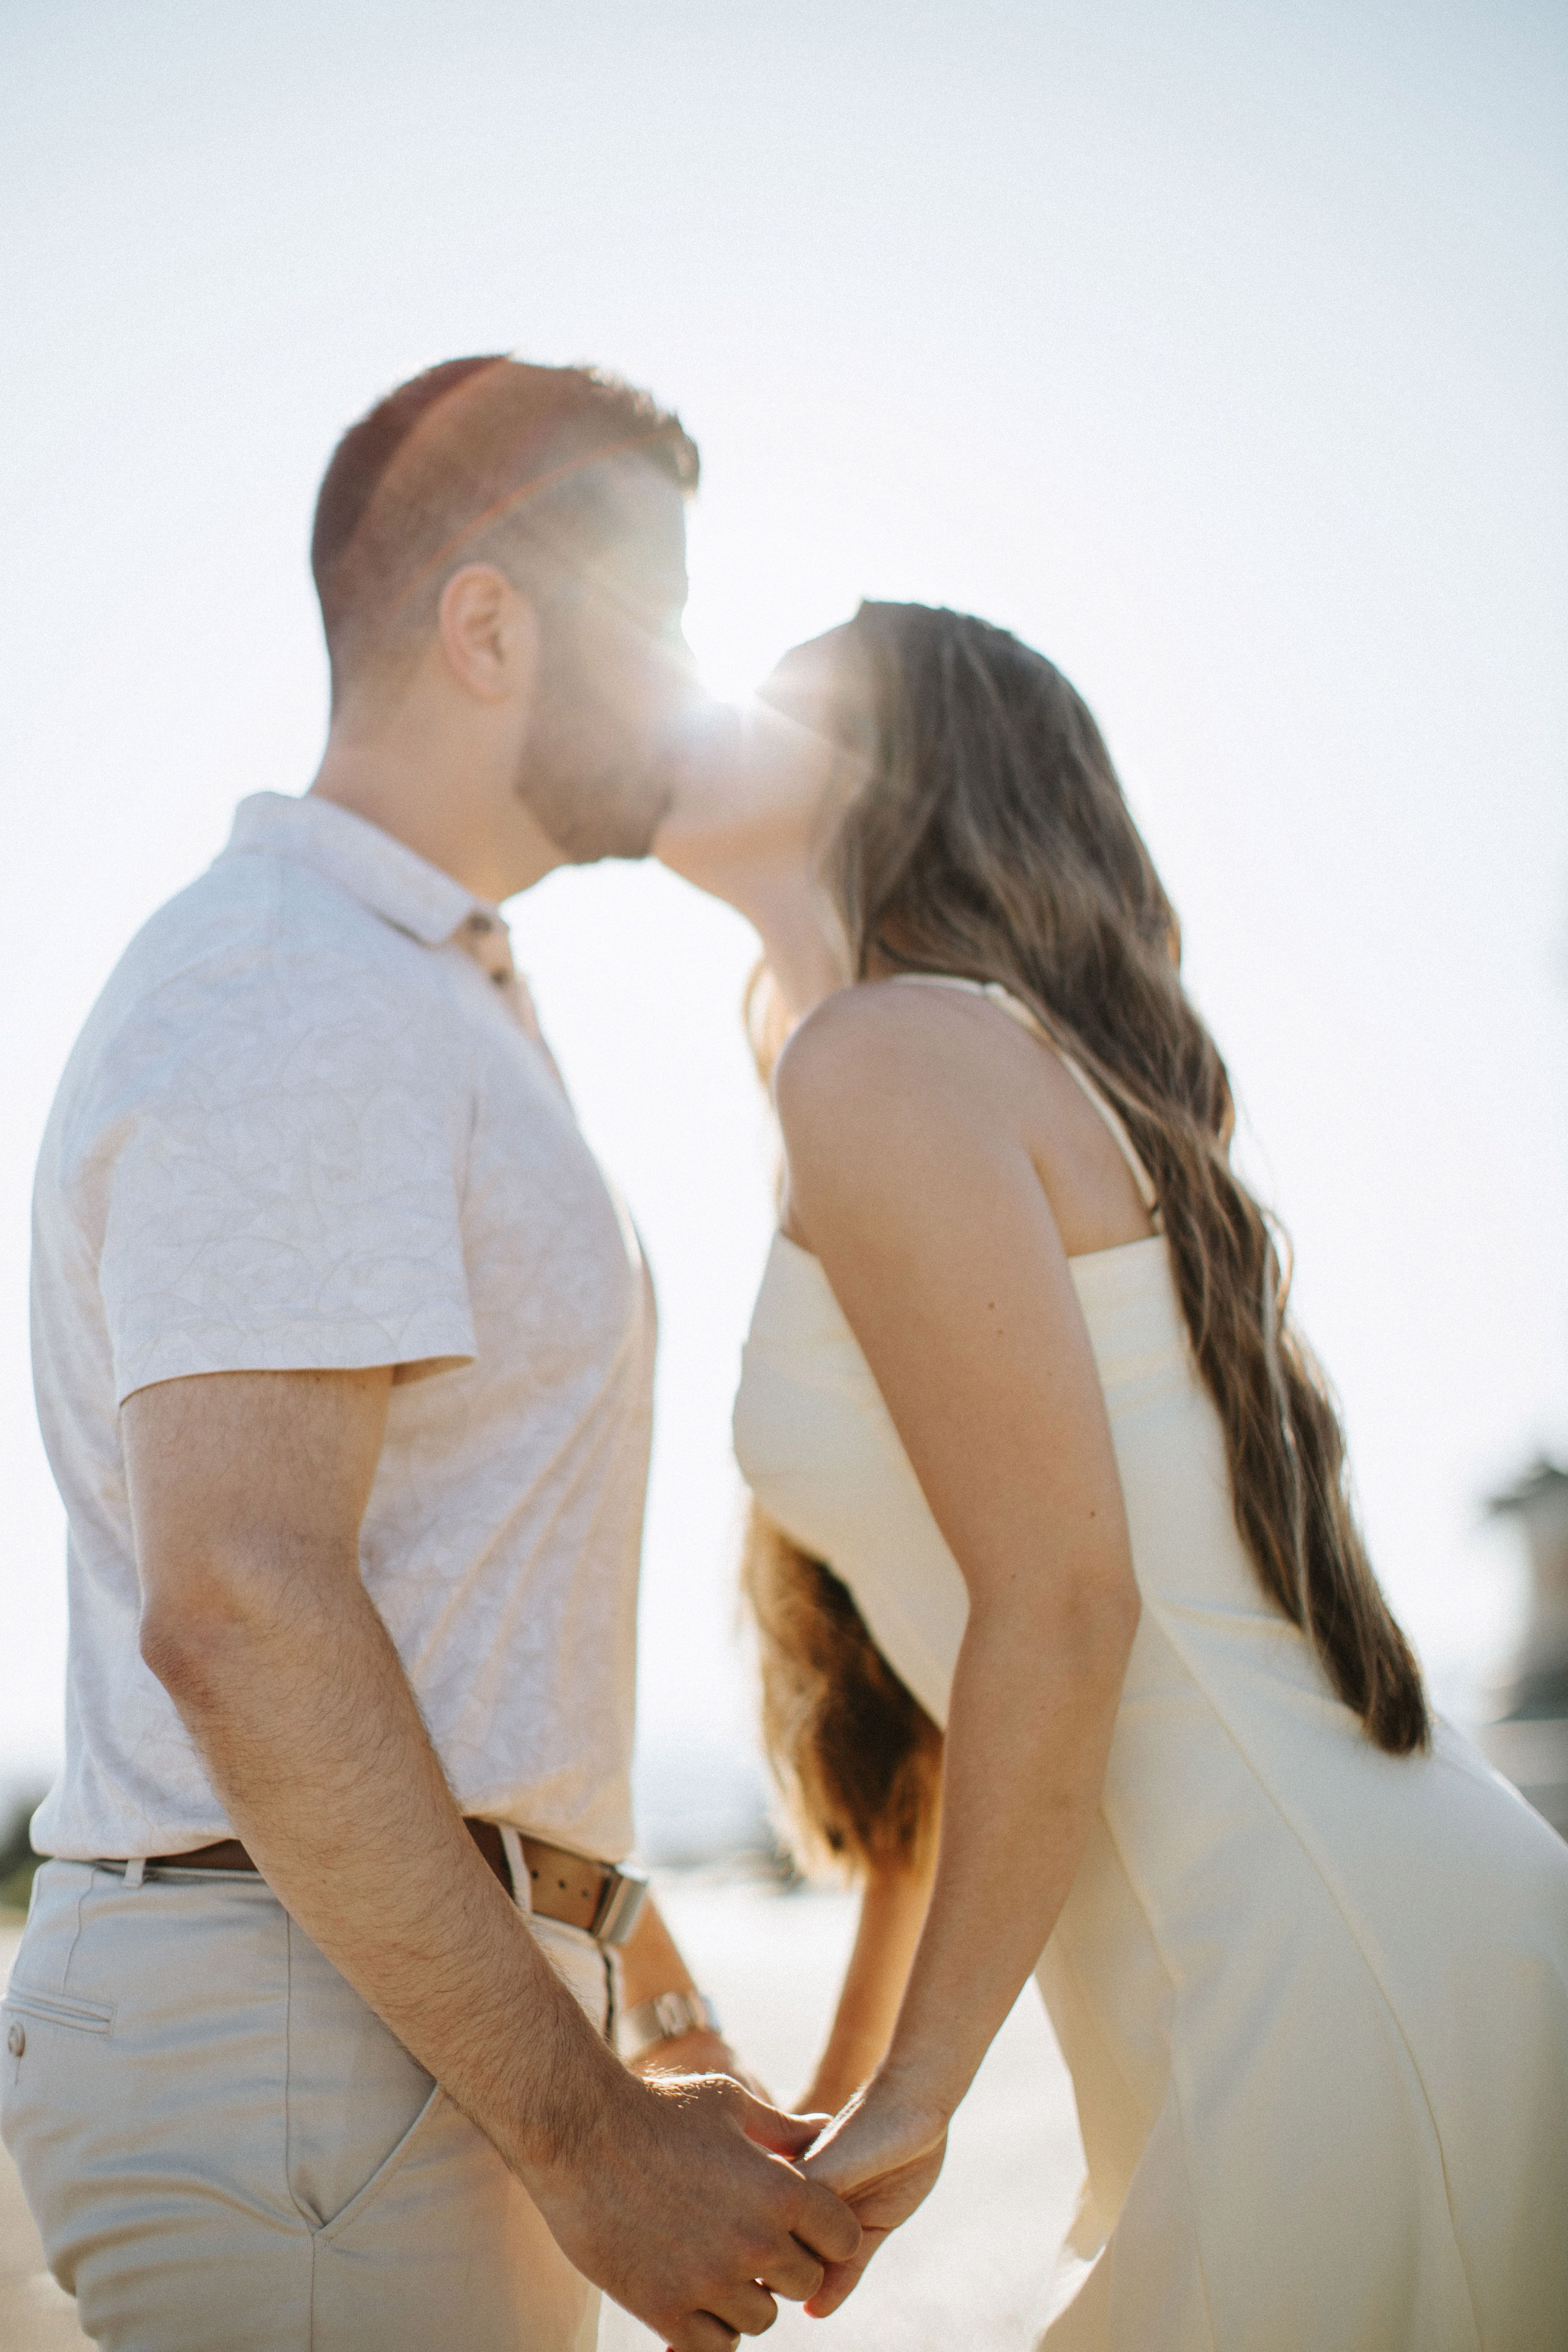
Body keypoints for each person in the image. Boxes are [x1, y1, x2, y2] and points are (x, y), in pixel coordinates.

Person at [0, 355, 858, 2352]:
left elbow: (431, 1577)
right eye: (655, 626)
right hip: (306, 2052)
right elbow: (239, 1596)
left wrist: (608, 1938)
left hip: (371, 2024)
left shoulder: (405, 979)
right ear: (487, 624)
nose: (687, 686)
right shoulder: (293, 985)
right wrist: (587, 2140)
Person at [654, 600, 1568, 2350]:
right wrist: (834, 2094)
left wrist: (920, 2096)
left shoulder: (894, 1057)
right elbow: (959, 1695)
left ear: (896, 775)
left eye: (793, 692)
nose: (725, 702)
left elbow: (1064, 1609)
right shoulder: (922, 1062)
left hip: (1317, 1969)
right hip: (1342, 1945)